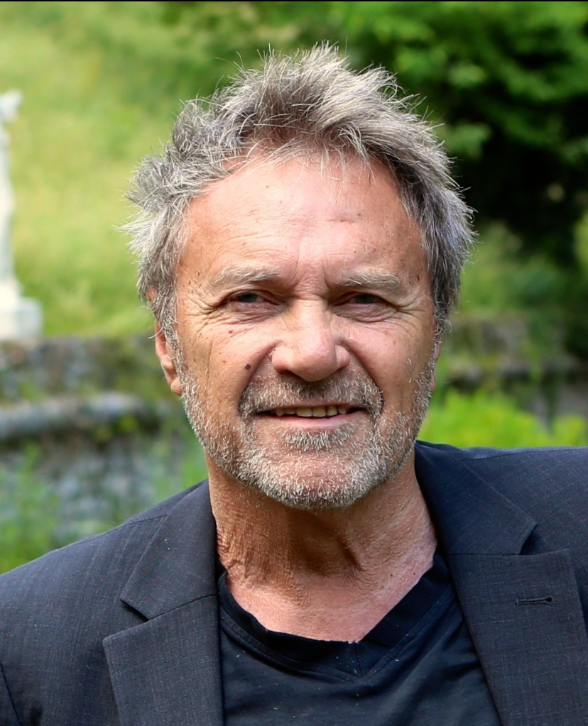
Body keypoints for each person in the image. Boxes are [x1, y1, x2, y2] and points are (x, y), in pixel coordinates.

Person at [1, 44, 587, 726]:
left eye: (363, 298)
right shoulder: (32, 653)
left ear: (437, 328)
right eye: (251, 298)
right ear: (167, 341)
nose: (312, 354)